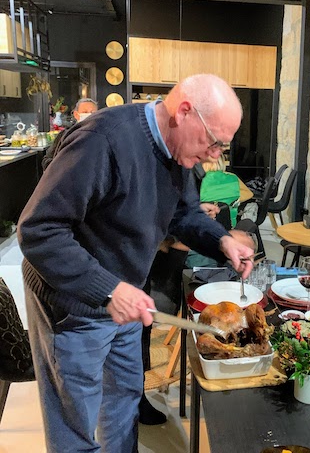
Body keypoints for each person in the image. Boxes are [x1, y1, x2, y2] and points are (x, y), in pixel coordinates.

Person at [17, 74, 254, 452]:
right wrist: (107, 289)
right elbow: (38, 230)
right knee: (74, 421)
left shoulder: (179, 152)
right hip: (73, 303)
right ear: (185, 112)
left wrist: (220, 239)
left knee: (124, 402)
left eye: (222, 146)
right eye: (213, 142)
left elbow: (183, 213)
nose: (214, 155)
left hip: (127, 296)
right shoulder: (103, 141)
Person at [41, 98, 98, 171]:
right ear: (76, 114)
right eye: (85, 112)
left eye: (93, 113)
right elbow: (47, 160)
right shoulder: (65, 135)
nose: (89, 115)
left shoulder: (103, 136)